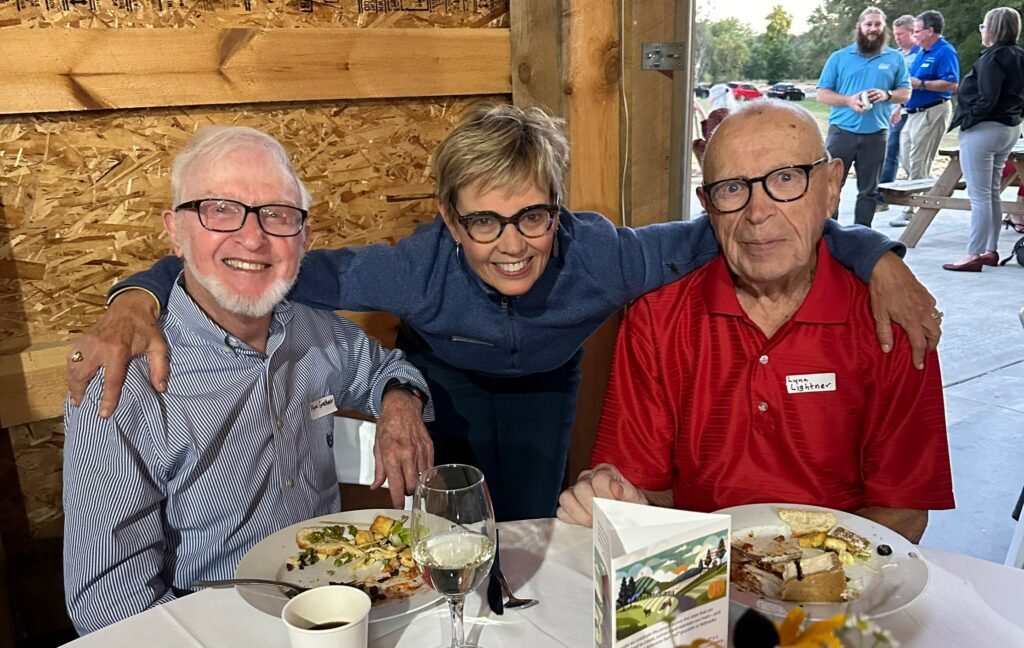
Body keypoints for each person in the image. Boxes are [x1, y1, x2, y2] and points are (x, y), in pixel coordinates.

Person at [65, 105, 941, 523]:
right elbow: (265, 254)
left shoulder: (611, 254)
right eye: (483, 220)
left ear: (559, 210)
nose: (513, 243)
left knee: (527, 525)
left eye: (533, 215)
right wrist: (138, 291)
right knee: (448, 528)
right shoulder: (412, 266)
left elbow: (748, 222)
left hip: (545, 387)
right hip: (441, 380)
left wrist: (875, 253)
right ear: (450, 222)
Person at [62, 126, 433, 634]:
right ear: (175, 230)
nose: (253, 237)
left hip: (335, 609)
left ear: (303, 238)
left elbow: (390, 368)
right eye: (220, 208)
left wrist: (401, 406)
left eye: (277, 215)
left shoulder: (313, 329)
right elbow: (106, 600)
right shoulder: (121, 378)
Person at [557, 101, 954, 544]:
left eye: (786, 178)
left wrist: (800, 579)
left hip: (842, 587)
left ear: (831, 186)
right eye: (731, 189)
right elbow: (644, 490)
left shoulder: (893, 317)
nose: (758, 212)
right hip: (699, 580)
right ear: (708, 206)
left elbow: (902, 512)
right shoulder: (657, 316)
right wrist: (620, 500)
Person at [942, 8, 1024, 271]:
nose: (981, 31)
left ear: (994, 29)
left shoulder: (993, 58)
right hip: (1009, 128)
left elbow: (987, 98)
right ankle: (990, 249)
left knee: (979, 197)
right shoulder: (1019, 55)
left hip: (984, 130)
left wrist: (968, 120)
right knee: (991, 193)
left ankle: (973, 253)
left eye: (983, 26)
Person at [817, 6, 912, 227]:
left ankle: (862, 236)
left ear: (883, 28)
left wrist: (887, 94)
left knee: (869, 191)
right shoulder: (839, 57)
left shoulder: (894, 58)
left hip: (876, 134)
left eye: (878, 24)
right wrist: (849, 100)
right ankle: (832, 236)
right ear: (859, 27)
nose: (873, 28)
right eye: (868, 24)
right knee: (832, 187)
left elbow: (905, 92)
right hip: (842, 132)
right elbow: (822, 94)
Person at [891, 10, 960, 228]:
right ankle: (928, 196)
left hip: (933, 110)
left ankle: (912, 210)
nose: (915, 35)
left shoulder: (944, 52)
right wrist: (901, 106)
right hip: (912, 111)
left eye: (918, 31)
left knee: (918, 158)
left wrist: (921, 84)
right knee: (906, 157)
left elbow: (951, 83)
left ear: (930, 31)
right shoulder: (921, 51)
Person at [876, 14, 922, 212]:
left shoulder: (921, 54)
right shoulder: (894, 55)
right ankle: (883, 195)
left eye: (901, 34)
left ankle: (906, 194)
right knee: (890, 150)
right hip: (892, 109)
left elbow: (911, 86)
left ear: (913, 32)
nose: (897, 38)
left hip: (911, 109)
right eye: (895, 34)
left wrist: (900, 105)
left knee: (901, 152)